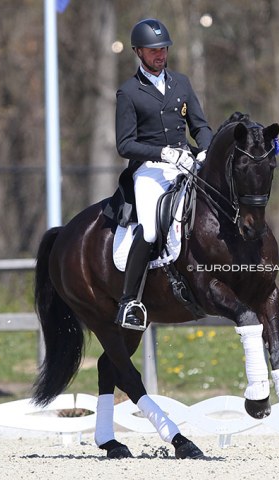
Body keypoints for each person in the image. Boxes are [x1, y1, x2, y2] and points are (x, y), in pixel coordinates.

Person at [115, 18, 213, 329]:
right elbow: (125, 143)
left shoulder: (181, 83)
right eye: (153, 50)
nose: (160, 55)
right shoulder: (129, 92)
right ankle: (129, 302)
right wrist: (162, 153)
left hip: (185, 163)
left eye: (163, 49)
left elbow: (199, 126)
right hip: (150, 171)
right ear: (138, 52)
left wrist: (206, 150)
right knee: (149, 230)